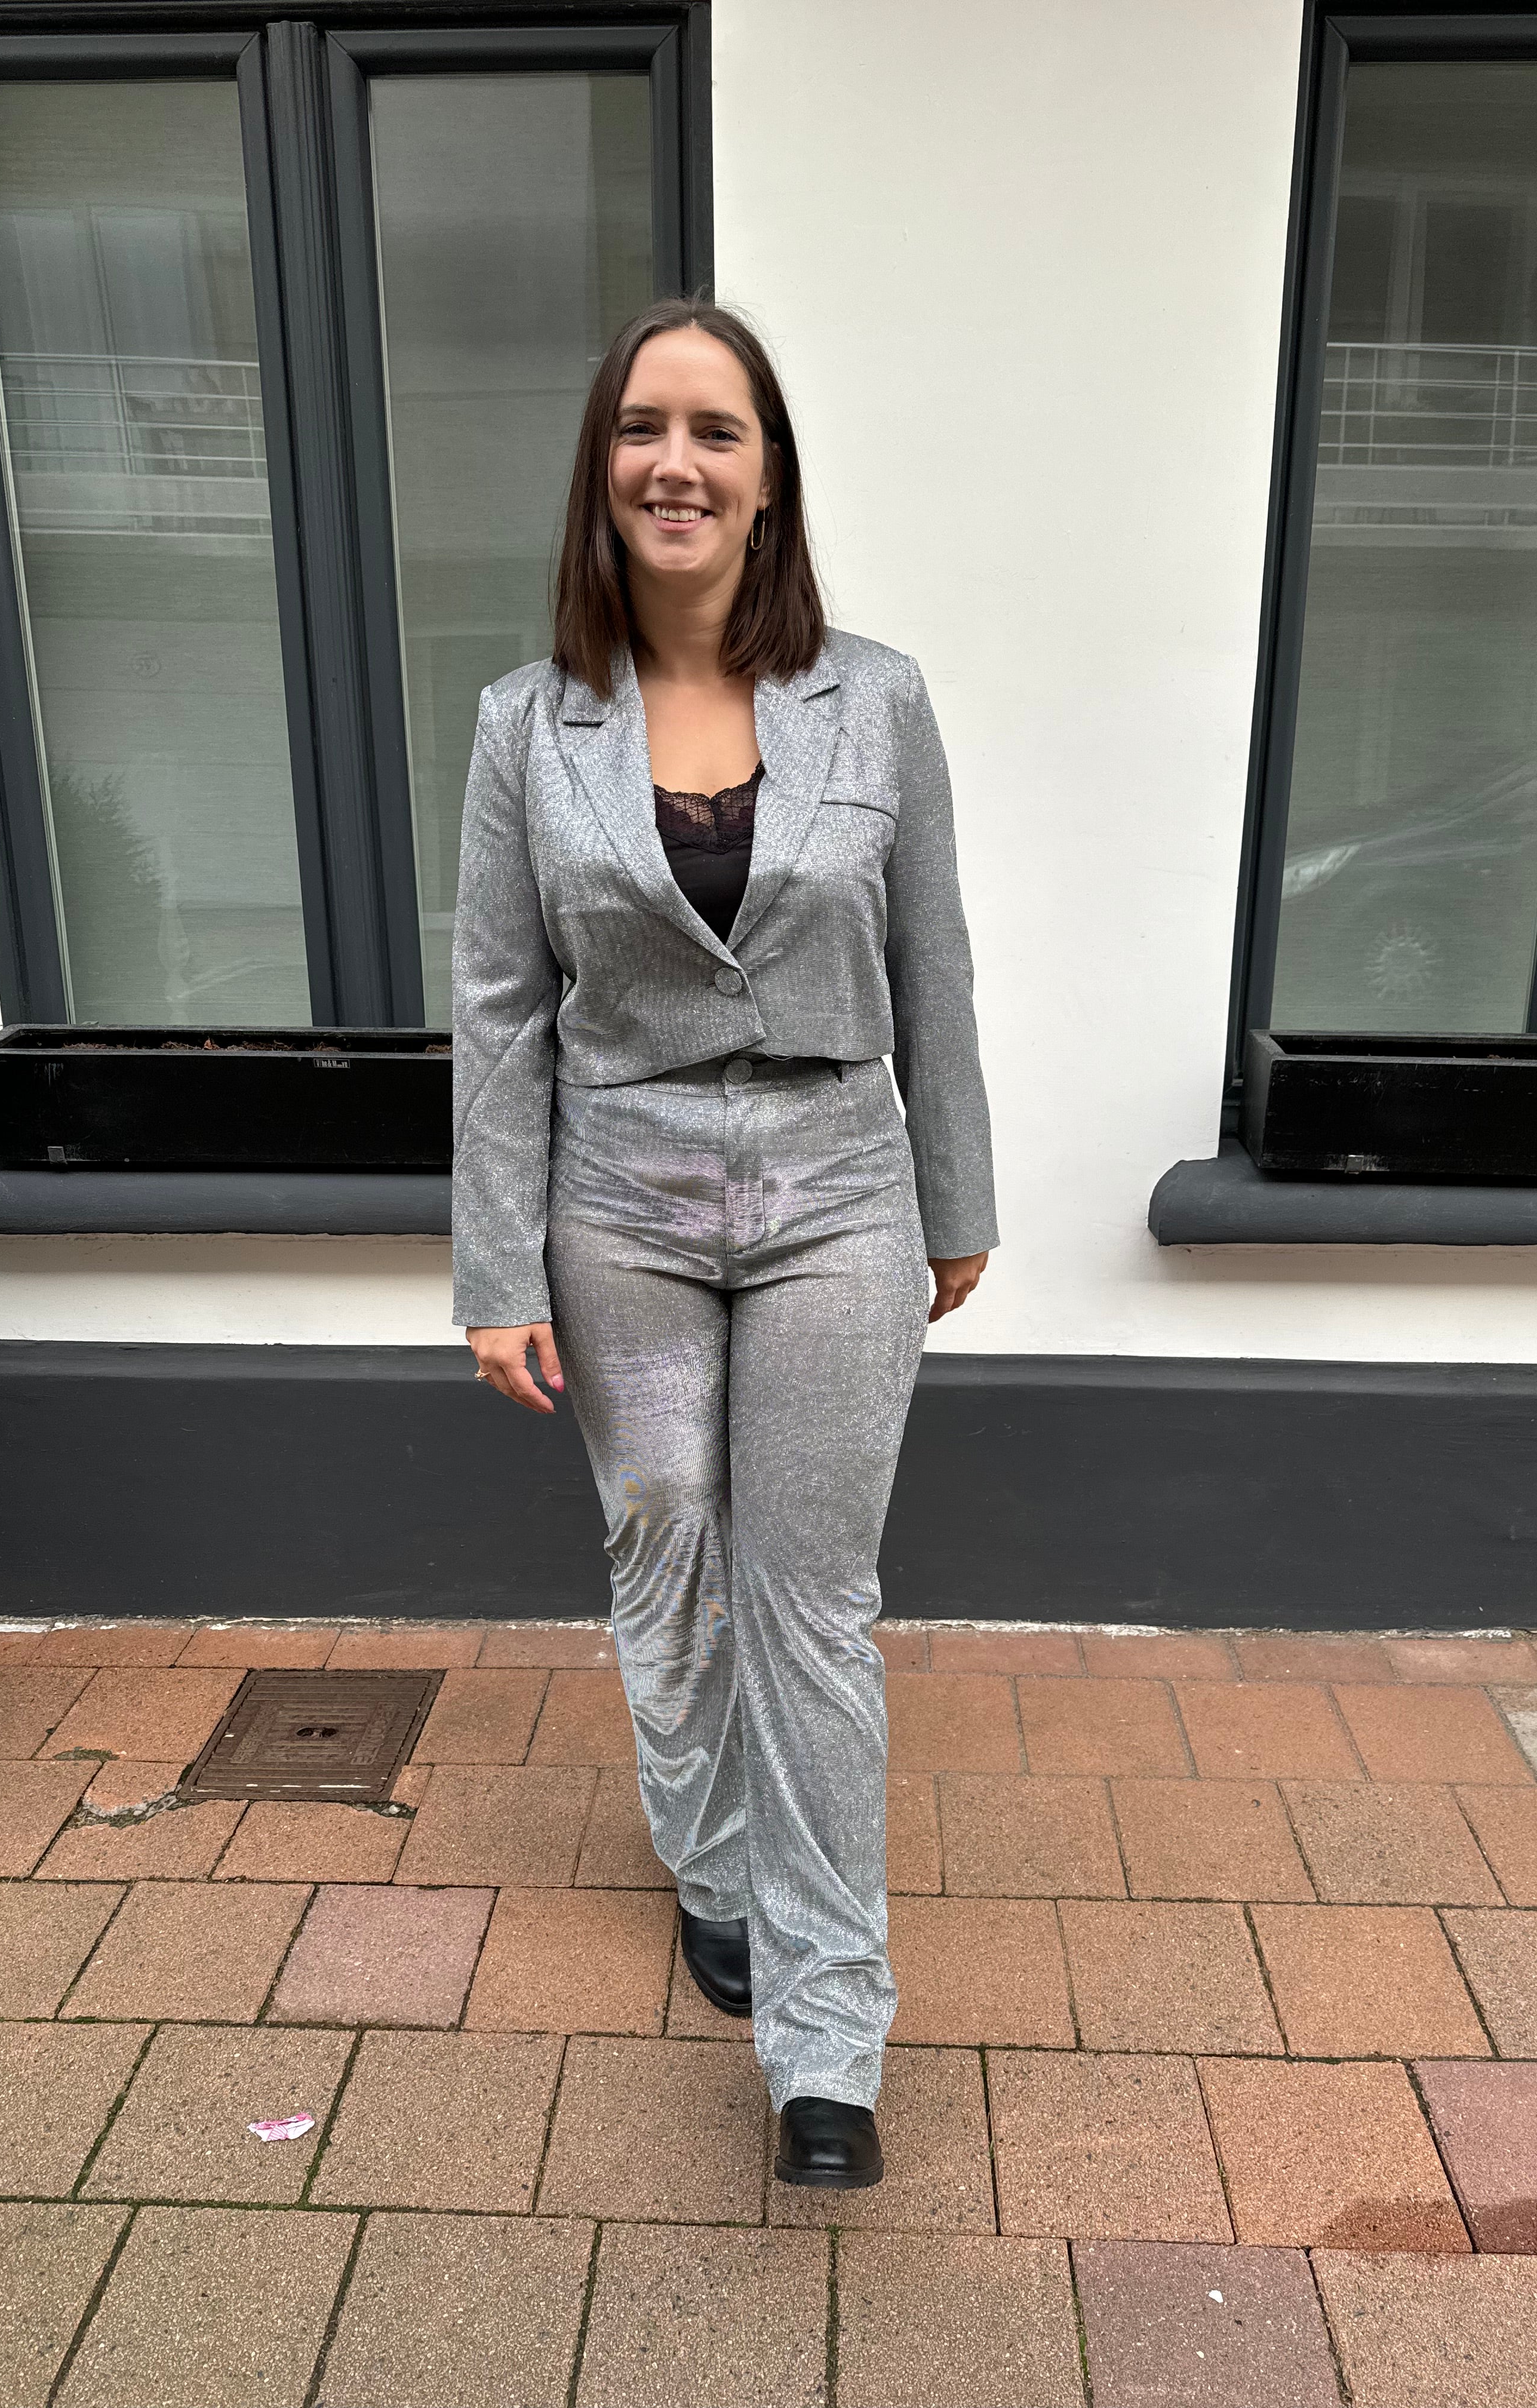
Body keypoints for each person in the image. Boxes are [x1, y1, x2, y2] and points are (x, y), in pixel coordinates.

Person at [452, 297, 997, 2189]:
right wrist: (496, 1265)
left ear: (770, 482)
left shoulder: (881, 696)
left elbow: (932, 956)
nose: (675, 462)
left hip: (843, 1176)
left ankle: (826, 2037)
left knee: (812, 1598)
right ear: (605, 472)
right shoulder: (531, 724)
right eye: (643, 429)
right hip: (625, 1188)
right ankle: (714, 1863)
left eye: (718, 431)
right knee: (666, 1536)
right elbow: (503, 1007)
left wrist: (961, 1200)